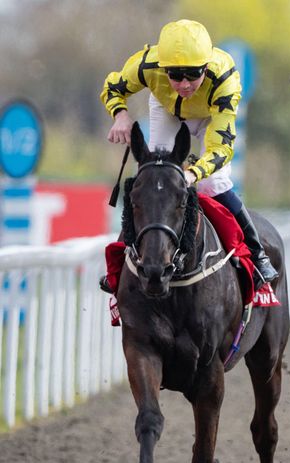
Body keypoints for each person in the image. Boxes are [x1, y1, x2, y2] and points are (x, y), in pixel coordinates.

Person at [99, 19, 277, 290]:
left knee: (212, 183)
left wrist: (193, 172)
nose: (183, 84)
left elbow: (221, 149)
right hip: (166, 110)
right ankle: (125, 259)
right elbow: (113, 86)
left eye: (193, 75)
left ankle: (258, 254)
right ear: (163, 68)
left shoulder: (225, 80)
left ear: (206, 67)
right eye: (175, 75)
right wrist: (120, 114)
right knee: (153, 179)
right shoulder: (147, 65)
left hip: (209, 117)